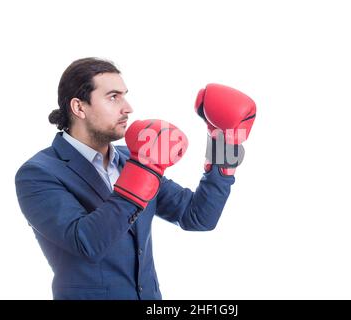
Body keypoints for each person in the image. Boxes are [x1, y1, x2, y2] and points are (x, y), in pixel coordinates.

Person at [15, 57, 256, 300]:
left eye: (124, 95)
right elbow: (86, 242)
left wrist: (224, 144)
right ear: (79, 107)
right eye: (113, 97)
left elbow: (197, 217)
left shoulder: (130, 158)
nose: (127, 107)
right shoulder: (39, 173)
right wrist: (145, 169)